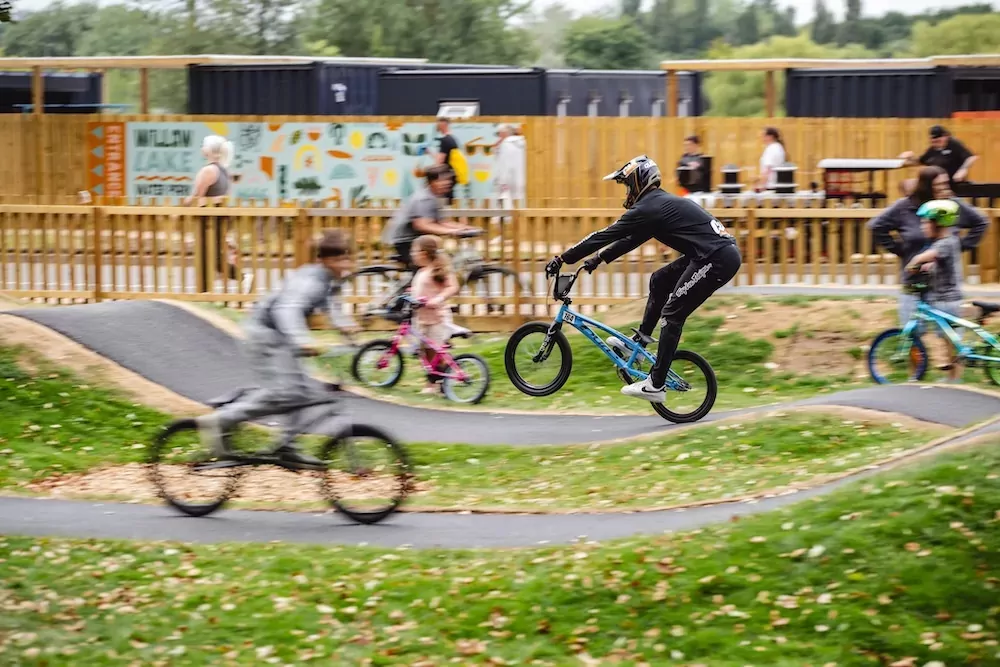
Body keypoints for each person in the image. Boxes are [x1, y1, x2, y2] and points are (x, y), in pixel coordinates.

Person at [544, 155, 742, 403]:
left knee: (672, 314)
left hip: (716, 259)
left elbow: (603, 235)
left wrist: (562, 258)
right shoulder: (656, 206)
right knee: (659, 280)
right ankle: (638, 345)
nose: (626, 192)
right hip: (709, 254)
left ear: (638, 182)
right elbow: (631, 239)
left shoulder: (650, 207)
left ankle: (656, 384)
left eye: (627, 185)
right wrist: (599, 259)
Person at [195, 229, 361, 469]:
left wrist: (346, 327)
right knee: (281, 394)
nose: (344, 265)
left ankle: (287, 446)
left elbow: (330, 306)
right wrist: (302, 340)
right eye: (339, 259)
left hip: (281, 336)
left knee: (300, 392)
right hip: (265, 334)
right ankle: (220, 421)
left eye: (347, 258)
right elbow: (287, 309)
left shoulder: (326, 280)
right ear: (323, 260)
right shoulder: (311, 281)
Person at [868, 165, 988, 327]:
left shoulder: (951, 206)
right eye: (938, 185)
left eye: (946, 184)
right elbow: (876, 226)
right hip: (915, 283)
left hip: (945, 288)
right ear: (925, 186)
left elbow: (981, 222)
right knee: (912, 335)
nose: (944, 188)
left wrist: (959, 246)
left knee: (950, 337)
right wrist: (900, 250)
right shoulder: (905, 206)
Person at [905, 200, 967, 383]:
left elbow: (930, 255)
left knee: (951, 341)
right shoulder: (946, 242)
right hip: (944, 298)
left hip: (947, 299)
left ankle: (955, 378)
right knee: (948, 339)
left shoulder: (946, 242)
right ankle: (952, 377)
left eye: (925, 222)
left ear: (937, 223)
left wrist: (914, 262)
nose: (922, 226)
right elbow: (938, 261)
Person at [183, 135, 254, 294]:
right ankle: (205, 292)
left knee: (210, 258)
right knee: (208, 257)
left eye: (204, 145)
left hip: (207, 219)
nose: (202, 148)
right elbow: (223, 196)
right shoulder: (224, 171)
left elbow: (197, 197)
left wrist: (185, 204)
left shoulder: (208, 170)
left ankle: (242, 277)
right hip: (219, 219)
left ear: (209, 150)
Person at [410, 235, 461, 394]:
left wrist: (438, 299)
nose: (412, 254)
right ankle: (435, 384)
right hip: (422, 318)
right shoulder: (421, 272)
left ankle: (446, 380)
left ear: (424, 254)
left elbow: (453, 286)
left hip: (437, 318)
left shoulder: (438, 269)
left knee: (437, 352)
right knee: (425, 352)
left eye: (414, 251)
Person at [899, 125, 977, 189]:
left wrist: (963, 170)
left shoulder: (954, 144)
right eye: (933, 142)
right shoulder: (932, 149)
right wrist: (910, 158)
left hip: (952, 182)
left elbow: (970, 157)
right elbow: (921, 161)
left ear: (945, 137)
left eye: (938, 141)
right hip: (935, 183)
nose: (936, 144)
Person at [493, 123, 527, 209]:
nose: (498, 136)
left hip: (507, 178)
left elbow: (503, 163)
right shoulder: (523, 143)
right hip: (521, 177)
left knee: (505, 202)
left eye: (499, 133)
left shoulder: (505, 144)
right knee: (520, 202)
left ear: (504, 133)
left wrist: (502, 180)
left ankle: (507, 220)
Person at [755, 126, 787, 192]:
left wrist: (762, 185)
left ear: (770, 137)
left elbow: (768, 168)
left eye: (764, 135)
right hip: (776, 184)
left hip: (770, 186)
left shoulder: (771, 149)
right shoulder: (779, 147)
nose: (762, 138)